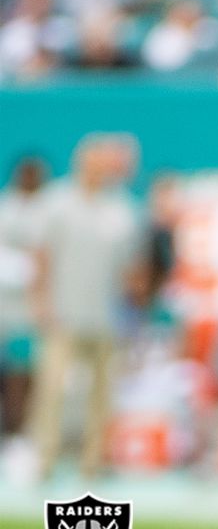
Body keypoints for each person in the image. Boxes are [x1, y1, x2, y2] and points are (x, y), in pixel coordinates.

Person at [28, 134, 141, 480]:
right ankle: (44, 457)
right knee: (52, 389)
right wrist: (41, 301)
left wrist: (131, 312)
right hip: (64, 311)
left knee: (102, 393)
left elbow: (130, 269)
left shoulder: (120, 208)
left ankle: (93, 460)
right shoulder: (57, 202)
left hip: (106, 315)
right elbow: (42, 256)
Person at [0, 155, 47, 453]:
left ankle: (24, 432)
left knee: (31, 371)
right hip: (4, 302)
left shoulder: (48, 211)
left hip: (35, 306)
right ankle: (7, 431)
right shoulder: (5, 208)